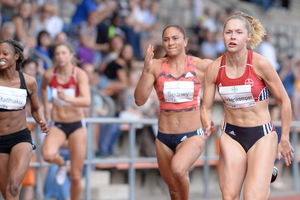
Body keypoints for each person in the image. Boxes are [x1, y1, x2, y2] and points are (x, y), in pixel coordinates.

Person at [200, 11, 294, 199]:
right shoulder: (214, 69)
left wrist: (284, 138)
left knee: (251, 197)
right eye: (228, 32)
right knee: (228, 196)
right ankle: (264, 174)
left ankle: (264, 171)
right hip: (231, 135)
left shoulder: (260, 64)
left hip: (262, 136)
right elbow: (205, 108)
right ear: (222, 36)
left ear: (248, 37)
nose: (233, 36)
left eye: (238, 32)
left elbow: (284, 100)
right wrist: (206, 121)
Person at [134, 25, 212, 200]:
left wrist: (207, 112)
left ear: (185, 42)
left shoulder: (201, 65)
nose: (170, 43)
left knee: (178, 169)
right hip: (164, 138)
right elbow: (139, 100)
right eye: (166, 39)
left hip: (193, 134)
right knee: (174, 191)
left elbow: (226, 81)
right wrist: (145, 71)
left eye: (175, 38)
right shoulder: (154, 66)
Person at [40, 42, 91, 200]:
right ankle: (61, 163)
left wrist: (66, 98)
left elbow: (87, 101)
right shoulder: (50, 75)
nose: (60, 57)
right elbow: (42, 88)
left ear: (71, 55)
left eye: (63, 53)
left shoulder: (79, 74)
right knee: (47, 155)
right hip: (58, 123)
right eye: (57, 54)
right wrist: (46, 107)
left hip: (76, 125)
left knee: (76, 176)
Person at [0, 39, 48, 199]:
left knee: (13, 186)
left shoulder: (28, 81)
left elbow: (35, 108)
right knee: (7, 194)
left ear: (16, 56)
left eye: (5, 53)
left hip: (20, 137)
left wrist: (40, 120)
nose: (1, 57)